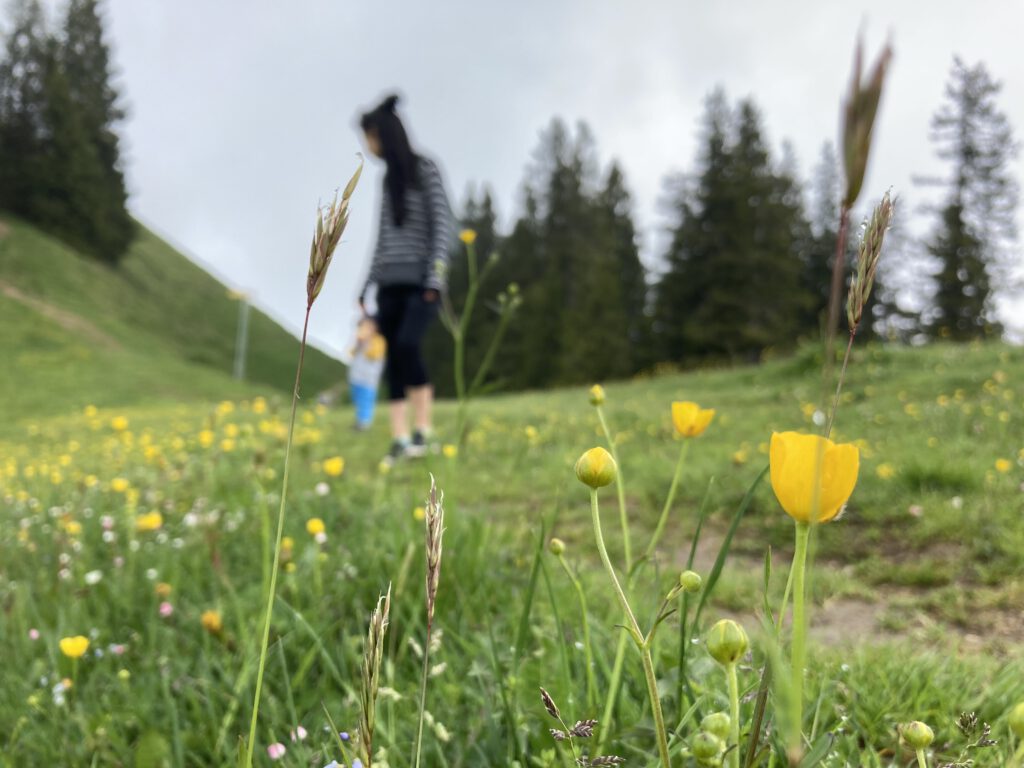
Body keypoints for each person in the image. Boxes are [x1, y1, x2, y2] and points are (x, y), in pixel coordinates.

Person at [357, 94, 452, 464]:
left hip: (420, 284)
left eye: (370, 137)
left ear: (385, 134)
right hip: (388, 287)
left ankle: (422, 430)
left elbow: (442, 224)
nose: (368, 146)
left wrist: (435, 278)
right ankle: (399, 438)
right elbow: (380, 239)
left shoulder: (425, 169)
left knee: (410, 346)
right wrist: (365, 286)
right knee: (393, 358)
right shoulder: (386, 182)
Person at [348, 316, 386, 431]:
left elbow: (374, 355)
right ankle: (360, 420)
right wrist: (359, 343)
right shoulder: (359, 341)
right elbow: (352, 353)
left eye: (368, 326)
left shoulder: (378, 341)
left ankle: (364, 422)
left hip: (369, 378)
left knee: (366, 399)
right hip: (356, 377)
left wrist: (367, 342)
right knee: (358, 399)